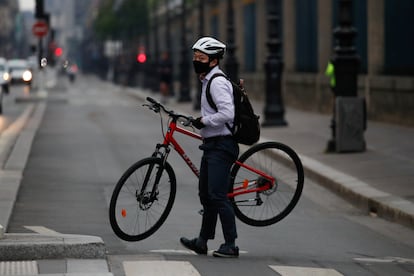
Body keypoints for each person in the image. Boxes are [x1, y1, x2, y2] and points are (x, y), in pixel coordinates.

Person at [180, 37, 240, 258]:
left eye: (201, 58)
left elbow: (227, 113)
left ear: (213, 61)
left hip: (222, 146)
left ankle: (231, 244)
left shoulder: (216, 82)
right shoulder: (207, 79)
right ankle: (202, 241)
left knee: (217, 195)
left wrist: (204, 121)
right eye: (195, 57)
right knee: (206, 195)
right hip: (211, 145)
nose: (197, 61)